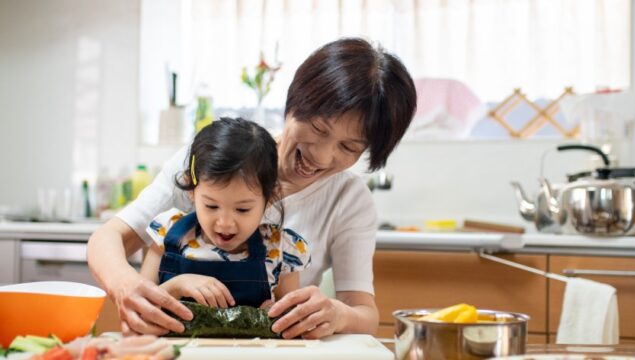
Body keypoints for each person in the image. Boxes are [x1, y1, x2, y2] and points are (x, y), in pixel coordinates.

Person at [87, 37, 417, 339]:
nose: (322, 155)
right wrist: (126, 287)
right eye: (318, 129)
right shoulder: (212, 159)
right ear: (294, 101)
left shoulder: (349, 199)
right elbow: (108, 237)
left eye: (349, 148)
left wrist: (338, 314)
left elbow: (365, 313)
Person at [139, 118, 309, 310]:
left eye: (242, 209)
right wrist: (177, 286)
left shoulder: (280, 249)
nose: (225, 223)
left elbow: (293, 323)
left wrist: (276, 314)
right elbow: (138, 310)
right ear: (192, 190)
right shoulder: (167, 233)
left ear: (270, 197)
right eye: (211, 206)